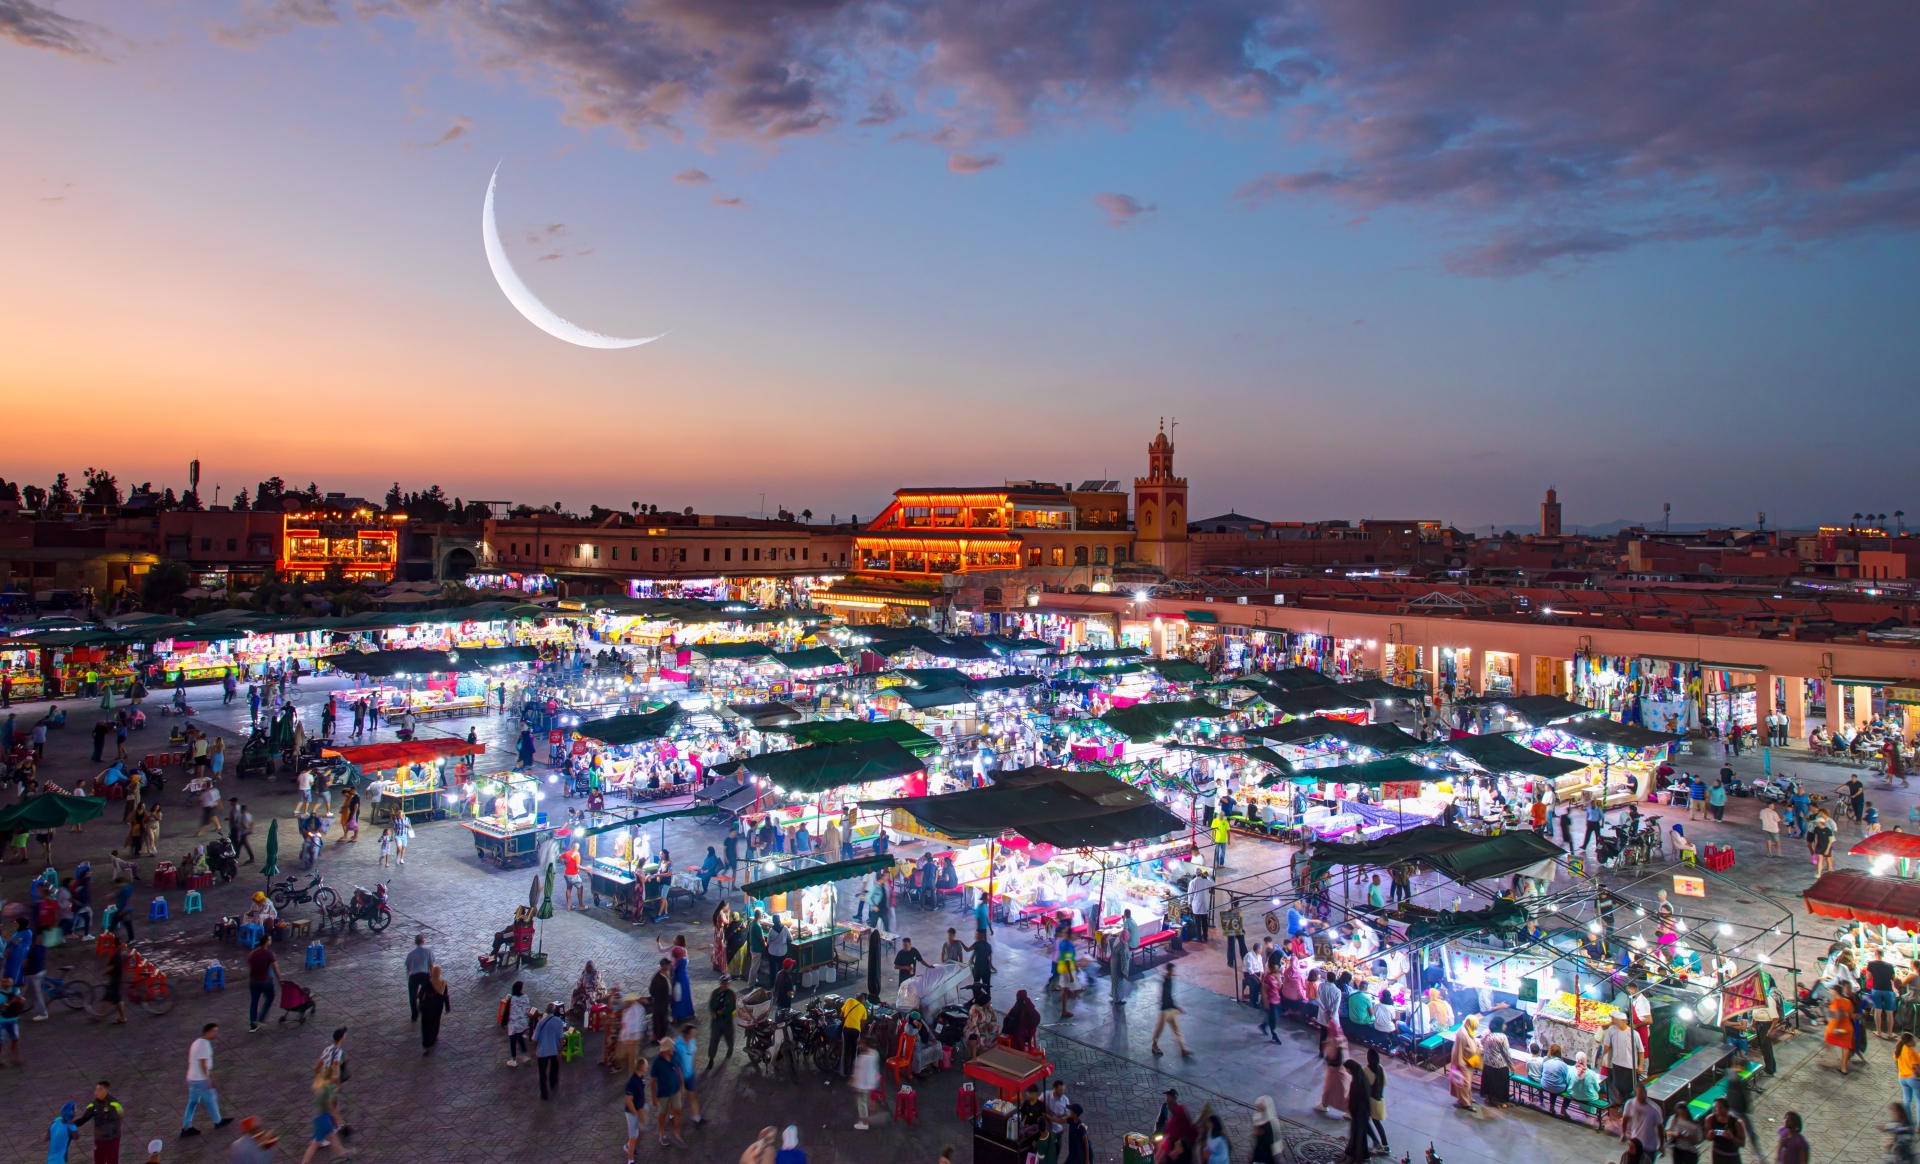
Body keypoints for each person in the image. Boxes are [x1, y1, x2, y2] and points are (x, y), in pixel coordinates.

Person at [179, 1022, 230, 1136]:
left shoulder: (197, 1042)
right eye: (214, 1031)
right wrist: (208, 1079)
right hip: (200, 1079)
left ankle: (186, 1126)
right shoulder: (204, 1045)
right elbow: (203, 1063)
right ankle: (218, 1121)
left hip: (192, 1078)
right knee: (211, 1098)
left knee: (192, 1102)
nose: (216, 1033)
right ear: (208, 1032)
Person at [301, 1063, 345, 1163]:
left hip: (320, 1116)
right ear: (331, 1075)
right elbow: (330, 1104)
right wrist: (338, 1118)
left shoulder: (321, 1085)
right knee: (316, 1143)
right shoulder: (329, 1087)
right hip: (323, 1118)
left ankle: (342, 1155)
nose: (336, 1075)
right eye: (334, 1074)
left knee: (332, 1137)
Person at [649, 1038, 687, 1147]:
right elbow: (652, 1081)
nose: (673, 1049)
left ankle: (677, 1134)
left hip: (675, 1089)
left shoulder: (675, 1055)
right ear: (665, 1050)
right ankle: (662, 1133)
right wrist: (653, 1097)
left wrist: (681, 1084)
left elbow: (678, 1069)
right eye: (671, 1047)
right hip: (663, 1092)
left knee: (678, 1110)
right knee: (663, 1113)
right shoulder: (657, 1062)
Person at [1600, 1012, 1640, 1114]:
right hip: (1616, 1064)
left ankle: (1629, 1107)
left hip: (1630, 1066)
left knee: (1629, 1088)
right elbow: (1607, 1045)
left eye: (1617, 1020)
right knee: (1619, 1087)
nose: (1615, 1022)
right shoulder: (1612, 1030)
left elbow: (1640, 1050)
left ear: (1624, 1021)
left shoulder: (1634, 1034)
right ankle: (1623, 1106)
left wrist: (1640, 1066)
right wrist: (1601, 1057)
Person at [75, 1082, 124, 1164]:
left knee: (112, 1161)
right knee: (98, 1161)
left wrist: (103, 1130)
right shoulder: (93, 1105)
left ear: (106, 1091)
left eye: (100, 1089)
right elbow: (84, 1118)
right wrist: (69, 1124)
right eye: (96, 1089)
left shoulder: (114, 1104)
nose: (96, 1092)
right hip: (99, 1139)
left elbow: (117, 1121)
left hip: (112, 1138)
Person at [1152, 964, 1190, 1058]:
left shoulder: (1169, 980)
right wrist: (1176, 1007)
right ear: (1169, 971)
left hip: (1170, 1009)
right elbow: (1166, 997)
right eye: (1172, 970)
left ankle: (1182, 1049)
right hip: (1165, 1010)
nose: (1174, 972)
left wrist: (1174, 1007)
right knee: (1159, 1029)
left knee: (1176, 1029)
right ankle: (1154, 1045)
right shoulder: (1166, 982)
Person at [1621, 1081, 1662, 1163]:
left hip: (1650, 1146)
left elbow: (1660, 1127)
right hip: (1636, 1144)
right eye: (1640, 1092)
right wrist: (1623, 1133)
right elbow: (1625, 1119)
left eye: (1644, 1092)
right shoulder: (1630, 1104)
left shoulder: (1654, 1109)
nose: (1643, 1095)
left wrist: (1661, 1144)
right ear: (1636, 1093)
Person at [673, 1022, 705, 1127]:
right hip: (679, 1076)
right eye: (693, 1032)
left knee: (693, 1095)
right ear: (687, 1034)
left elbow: (693, 1054)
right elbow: (675, 1062)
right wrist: (679, 1077)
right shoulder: (678, 1045)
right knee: (678, 1096)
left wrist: (693, 1069)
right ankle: (671, 1115)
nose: (695, 1034)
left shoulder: (692, 1041)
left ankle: (697, 1118)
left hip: (690, 1074)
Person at [533, 1003, 567, 1099]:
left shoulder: (541, 1022)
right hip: (554, 1050)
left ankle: (544, 1094)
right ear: (554, 1010)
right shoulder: (558, 1022)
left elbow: (535, 1039)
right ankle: (553, 1083)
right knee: (554, 1068)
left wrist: (536, 1049)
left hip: (542, 1051)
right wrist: (560, 1051)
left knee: (542, 1073)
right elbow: (561, 1039)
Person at [245, 935, 277, 1033]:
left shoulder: (253, 953)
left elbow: (249, 963)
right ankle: (261, 1018)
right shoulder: (269, 954)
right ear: (267, 942)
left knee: (254, 1002)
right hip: (264, 981)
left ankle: (252, 1025)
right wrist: (279, 979)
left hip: (253, 981)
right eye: (270, 939)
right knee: (270, 996)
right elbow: (275, 969)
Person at [849, 1037, 882, 1130]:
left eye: (861, 1044)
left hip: (863, 1085)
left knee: (861, 1103)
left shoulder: (863, 1058)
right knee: (863, 1101)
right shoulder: (874, 1053)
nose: (859, 1046)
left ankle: (864, 1123)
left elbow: (861, 1074)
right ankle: (864, 1119)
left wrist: (856, 1085)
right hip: (870, 1082)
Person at [1480, 1014, 1512, 1108]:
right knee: (1500, 1084)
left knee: (1489, 1082)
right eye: (1504, 1024)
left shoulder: (1487, 1034)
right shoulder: (1502, 1037)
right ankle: (1500, 1101)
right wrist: (1510, 1064)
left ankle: (1489, 1098)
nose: (1505, 1026)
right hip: (1500, 1065)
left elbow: (1481, 1042)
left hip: (1487, 1063)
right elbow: (1506, 1052)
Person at [1449, 1016, 1480, 1112]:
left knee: (1468, 1082)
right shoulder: (1462, 1034)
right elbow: (1458, 1051)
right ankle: (1465, 1103)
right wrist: (1460, 1064)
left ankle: (1468, 1098)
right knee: (1464, 1083)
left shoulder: (1467, 1030)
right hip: (1462, 1063)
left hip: (1469, 1062)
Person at [1703, 1097, 1746, 1164]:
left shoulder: (1737, 1123)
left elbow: (1742, 1143)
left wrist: (1732, 1138)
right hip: (1717, 1155)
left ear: (1727, 1109)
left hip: (1732, 1156)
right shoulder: (1710, 1119)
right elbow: (1708, 1137)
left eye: (1720, 1108)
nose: (1718, 1111)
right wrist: (1709, 1136)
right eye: (1716, 1108)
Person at [705, 976, 736, 1070]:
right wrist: (712, 1012)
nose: (725, 985)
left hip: (727, 1021)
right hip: (716, 1022)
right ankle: (711, 1059)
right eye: (724, 983)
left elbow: (733, 1007)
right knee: (714, 1041)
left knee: (729, 1038)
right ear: (721, 983)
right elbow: (711, 1004)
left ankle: (730, 1049)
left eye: (727, 983)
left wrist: (724, 1012)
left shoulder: (731, 994)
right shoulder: (714, 993)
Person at [419, 964, 451, 1053]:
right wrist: (447, 1007)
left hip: (427, 1007)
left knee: (426, 1024)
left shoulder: (427, 983)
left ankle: (426, 1043)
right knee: (435, 1022)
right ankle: (433, 1039)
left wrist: (420, 1006)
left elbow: (420, 994)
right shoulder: (443, 984)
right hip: (438, 1007)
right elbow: (445, 996)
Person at [504, 980, 532, 1067]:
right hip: (522, 1023)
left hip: (513, 1024)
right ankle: (525, 1056)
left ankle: (514, 1060)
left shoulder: (511, 998)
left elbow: (507, 1011)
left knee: (512, 1041)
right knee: (520, 1037)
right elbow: (527, 1010)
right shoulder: (525, 997)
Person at [405, 935, 433, 1022]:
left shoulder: (411, 954)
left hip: (414, 976)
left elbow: (408, 967)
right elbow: (431, 965)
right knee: (425, 993)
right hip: (425, 974)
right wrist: (431, 975)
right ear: (423, 941)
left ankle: (414, 1014)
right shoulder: (428, 952)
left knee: (412, 995)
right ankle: (422, 1007)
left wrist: (408, 974)